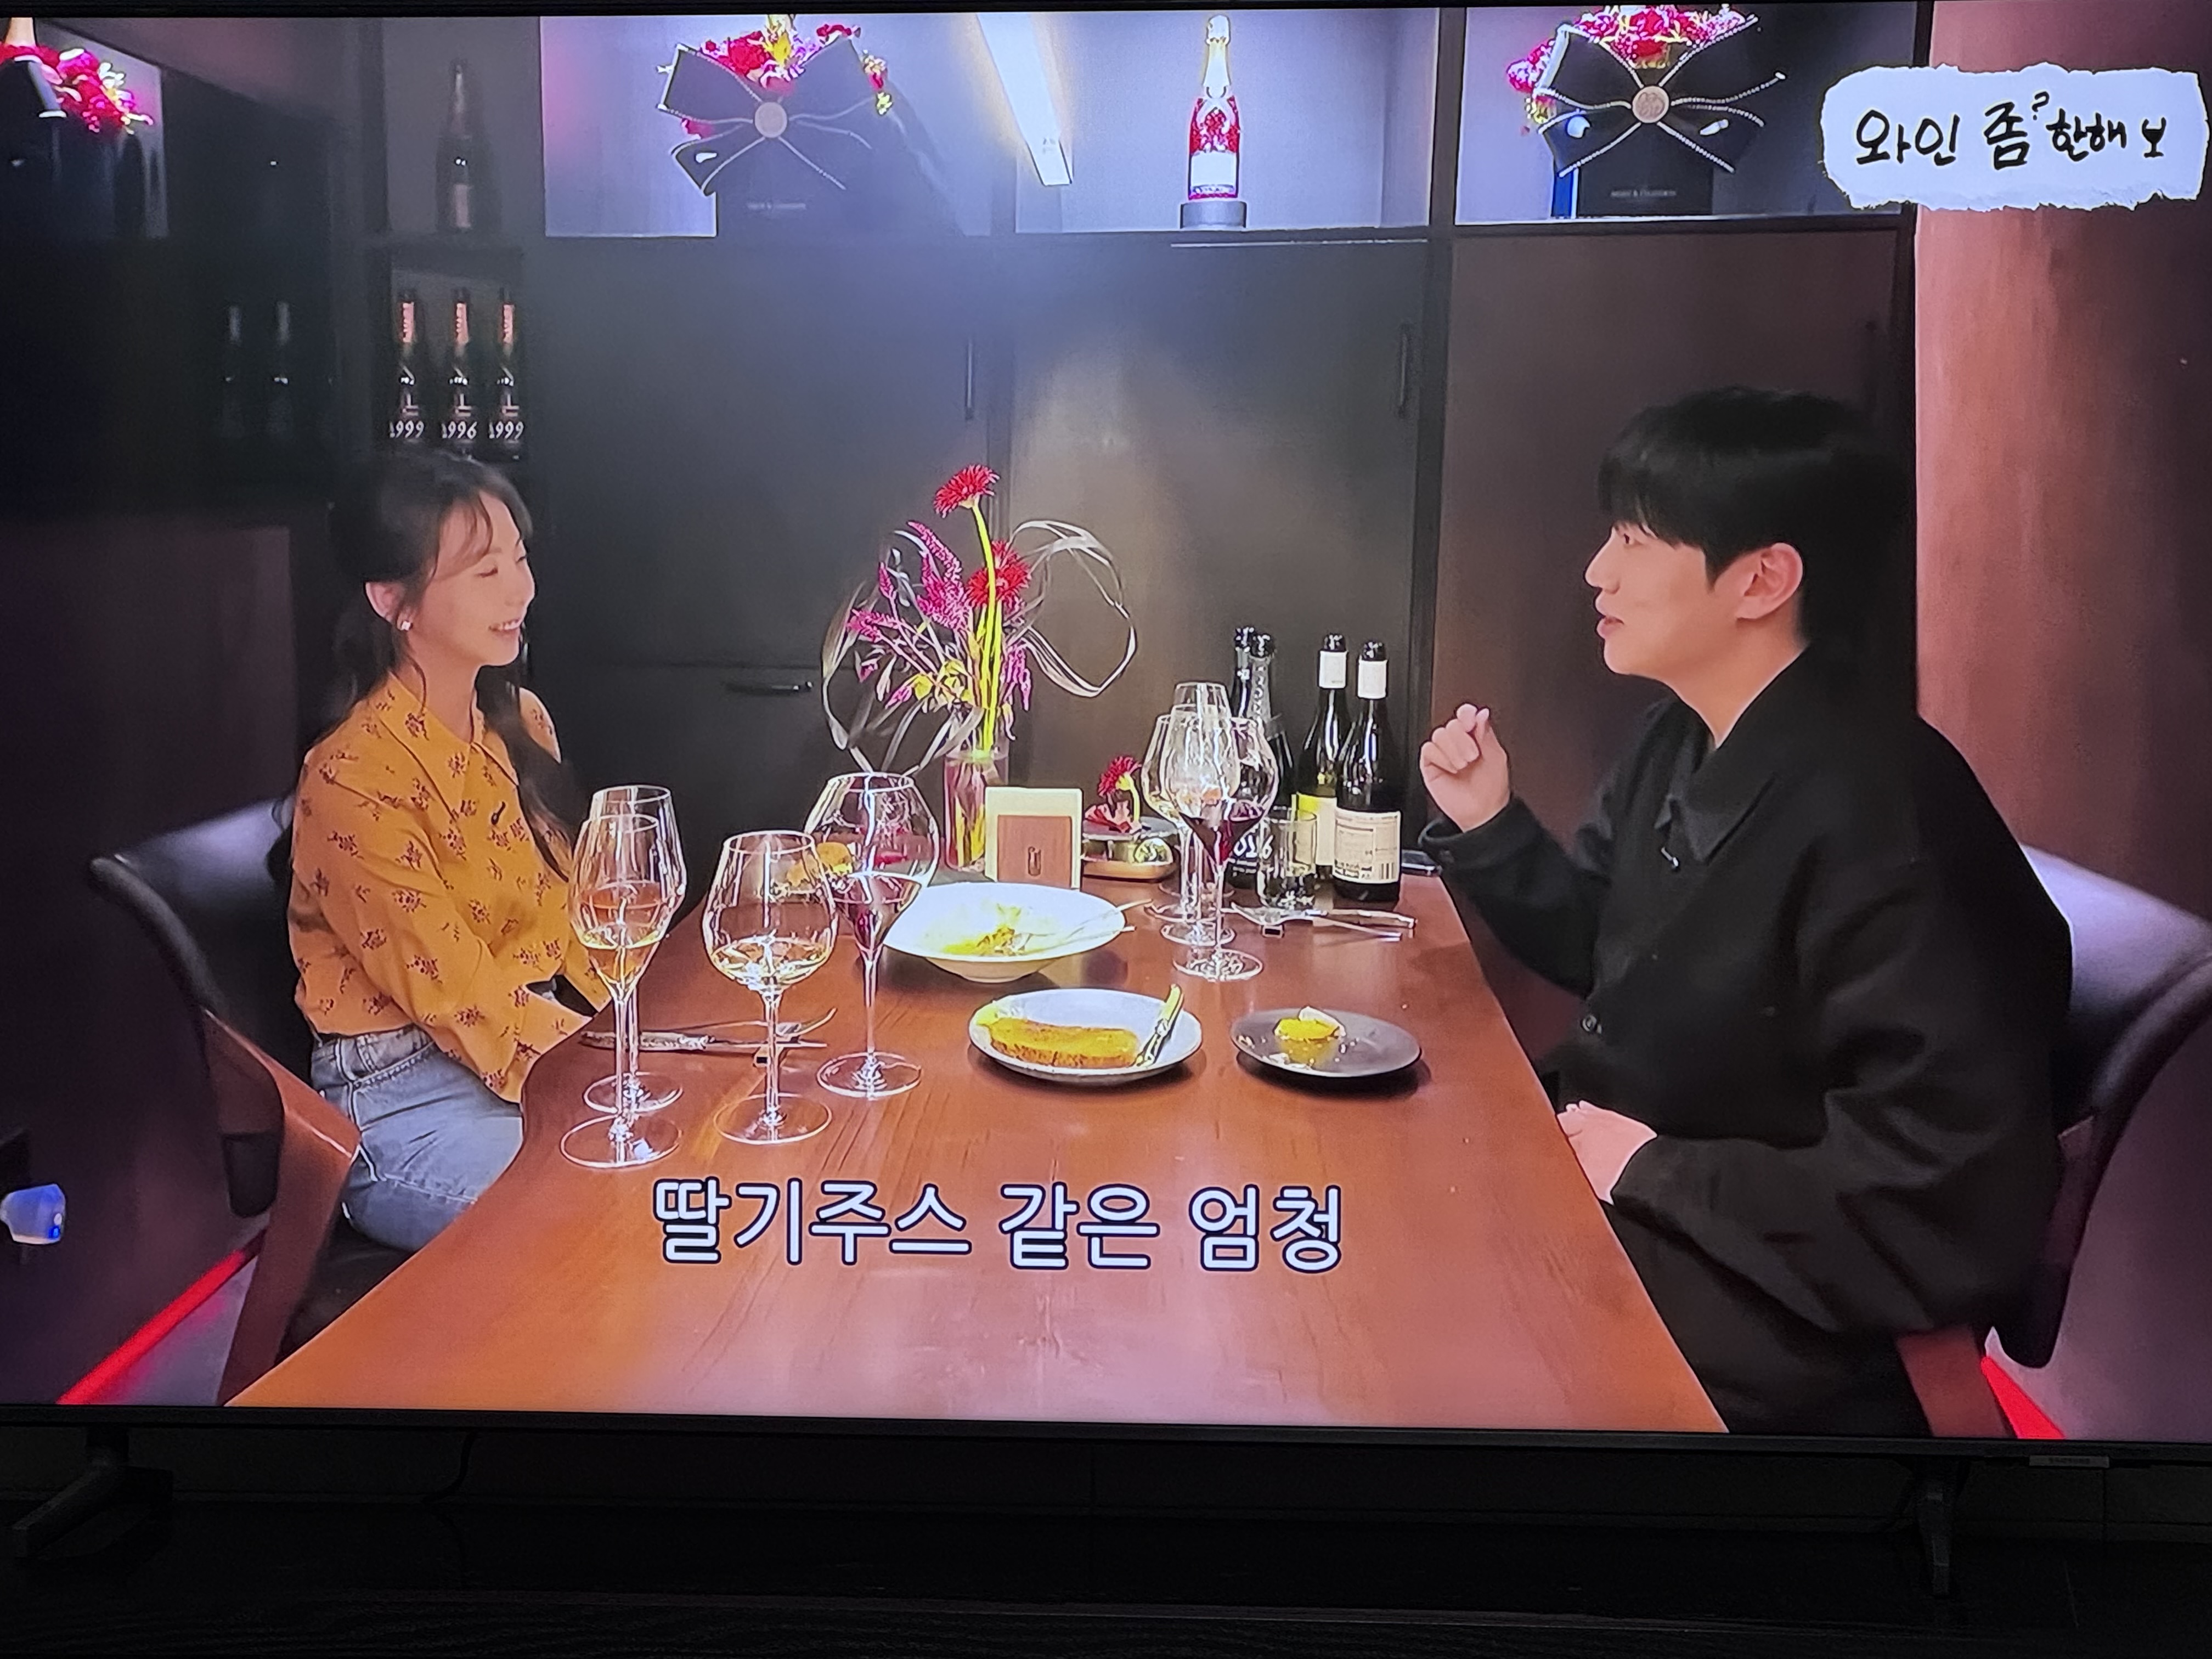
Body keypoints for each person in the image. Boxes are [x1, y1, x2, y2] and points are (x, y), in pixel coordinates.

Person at [1418, 388, 2069, 1435]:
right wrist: (1492, 824)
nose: (1598, 570)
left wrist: (1654, 1170)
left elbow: (1942, 1192)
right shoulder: (1681, 735)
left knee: (1408, 1323)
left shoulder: (1881, 812)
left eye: (1635, 540)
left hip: (1781, 1300)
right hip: (1642, 1187)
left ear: (1762, 579)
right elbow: (1609, 948)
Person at [287, 450, 605, 1252]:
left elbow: (572, 922)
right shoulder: (353, 775)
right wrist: (607, 1071)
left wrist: (647, 1032)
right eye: (484, 571)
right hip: (406, 1104)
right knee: (607, 1205)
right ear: (393, 600)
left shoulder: (521, 720)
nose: (519, 591)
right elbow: (458, 995)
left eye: (519, 560)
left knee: (689, 1152)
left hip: (532, 1046)